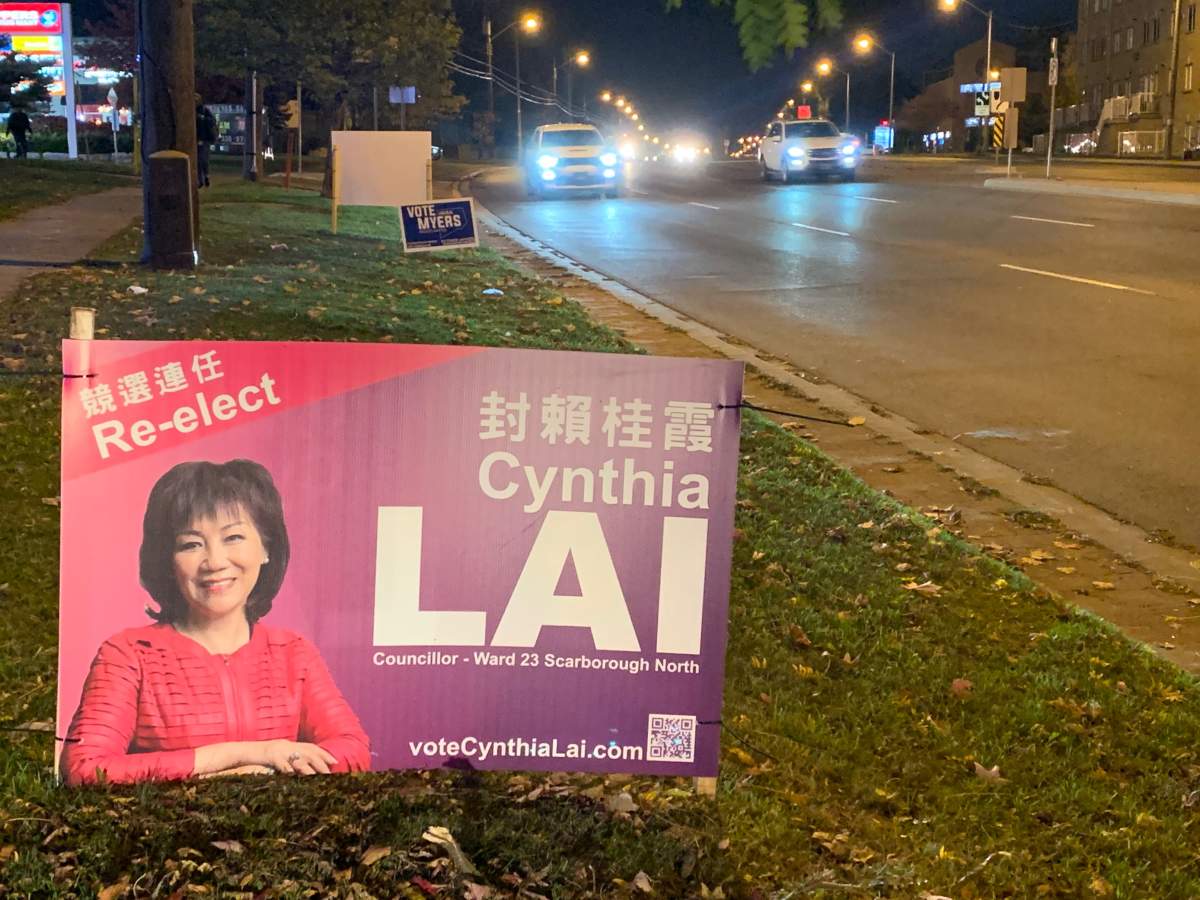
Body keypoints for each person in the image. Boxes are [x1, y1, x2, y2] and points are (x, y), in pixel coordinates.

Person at [61, 459, 370, 786]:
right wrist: (243, 756)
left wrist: (267, 772)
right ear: (168, 560)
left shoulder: (294, 653)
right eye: (191, 544)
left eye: (233, 537)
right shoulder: (128, 654)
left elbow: (353, 750)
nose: (215, 562)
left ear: (266, 548)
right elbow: (86, 769)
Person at [195, 97, 217, 187]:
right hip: (196, 139)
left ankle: (206, 176)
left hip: (204, 139)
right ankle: (200, 180)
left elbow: (212, 121)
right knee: (198, 161)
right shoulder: (191, 111)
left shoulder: (204, 111)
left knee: (203, 160)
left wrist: (203, 118)